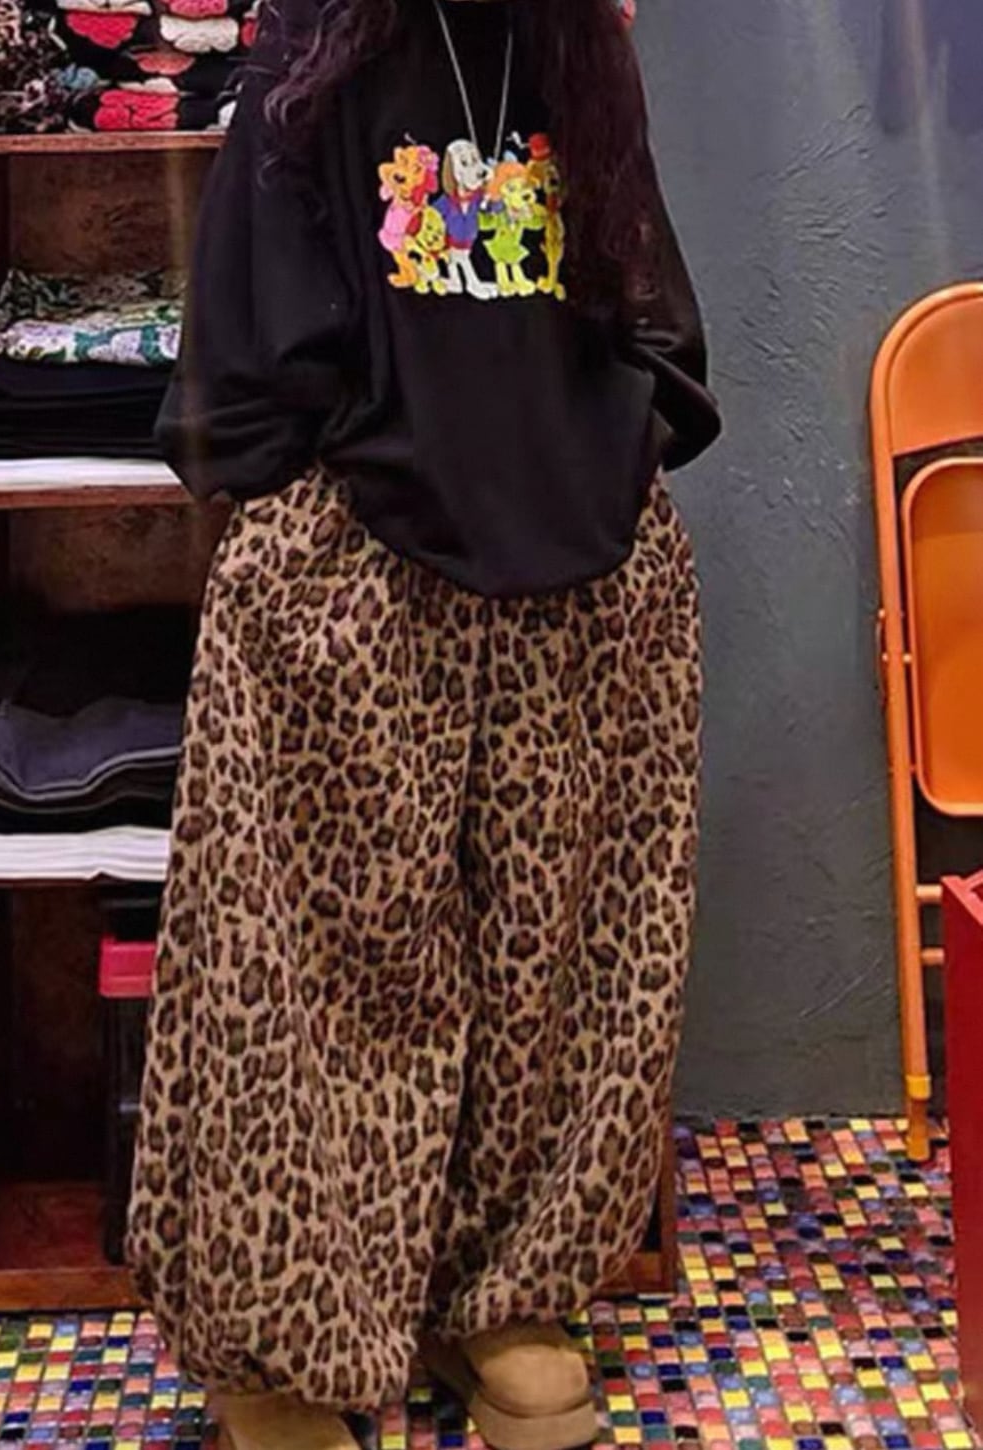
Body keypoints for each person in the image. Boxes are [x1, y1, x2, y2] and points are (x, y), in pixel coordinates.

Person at [126, 0, 721, 1446]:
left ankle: (499, 1294)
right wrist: (317, 505)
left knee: (561, 955)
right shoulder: (316, 43)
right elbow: (251, 330)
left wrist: (617, 448)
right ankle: (280, 1339)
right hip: (359, 558)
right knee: (316, 962)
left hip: (580, 560)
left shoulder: (578, 44)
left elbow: (640, 287)